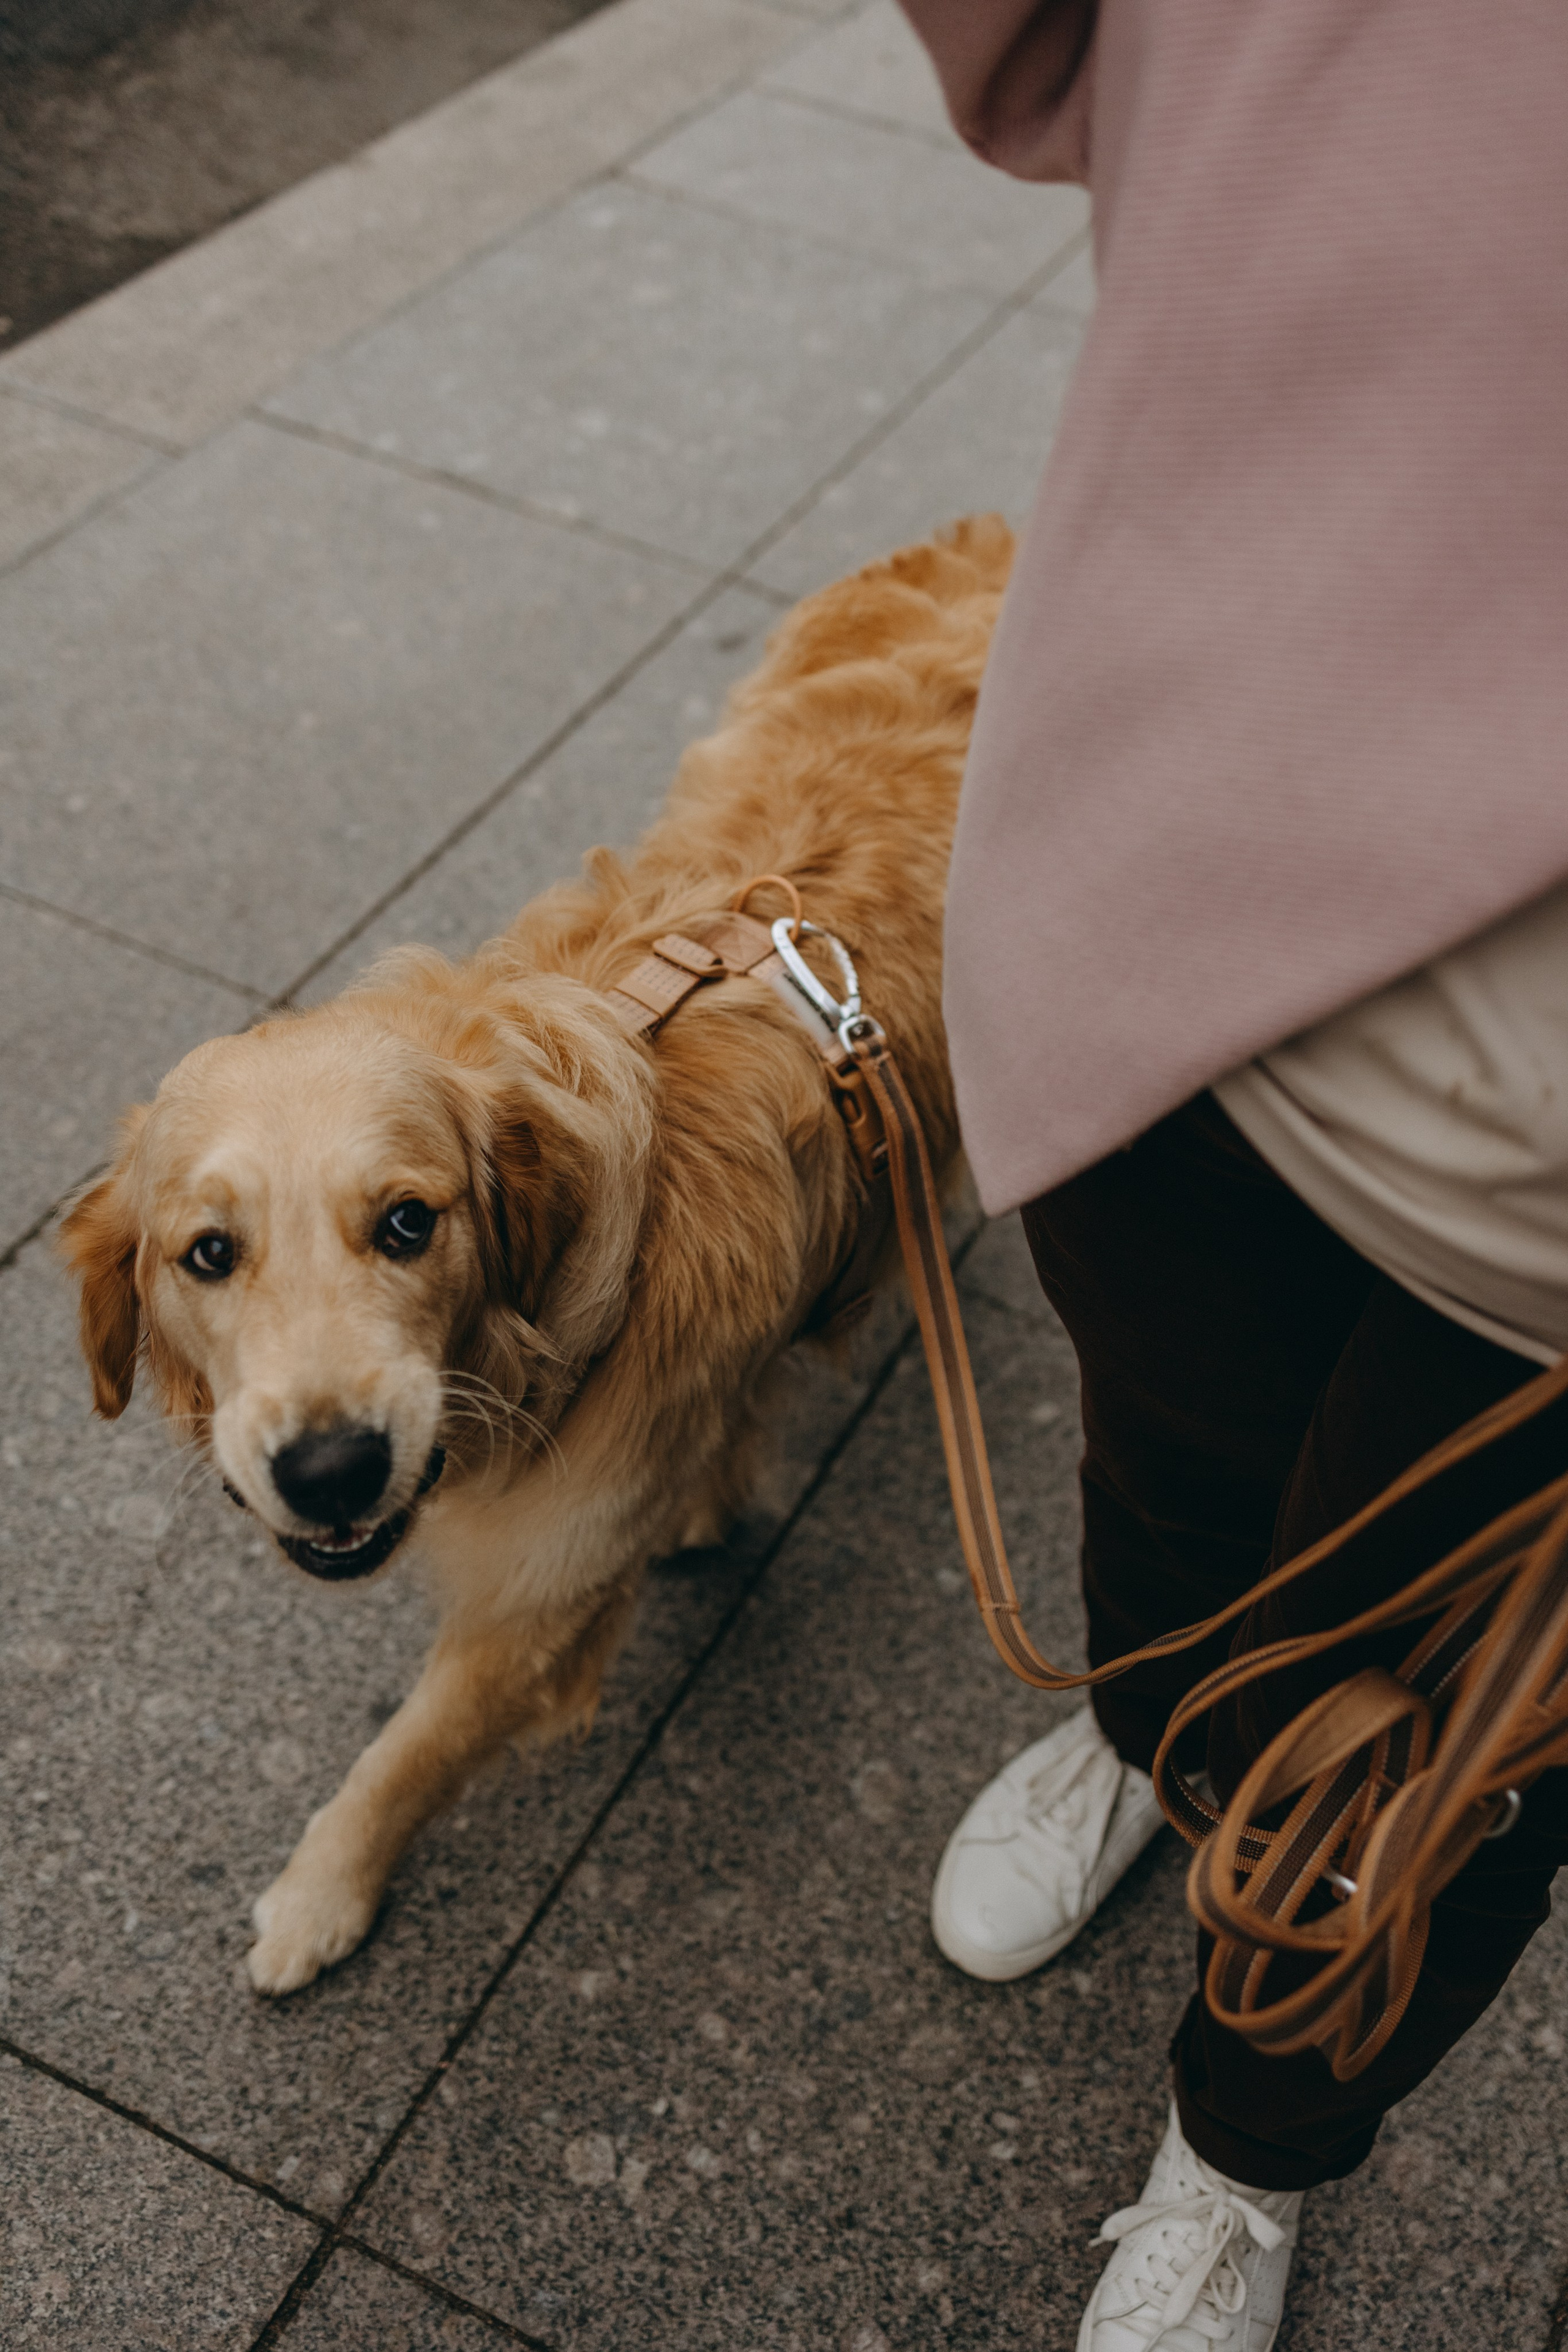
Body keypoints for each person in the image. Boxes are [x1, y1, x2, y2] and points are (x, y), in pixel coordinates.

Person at [894, 4, 1568, 2345]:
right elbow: (1043, 54)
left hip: (1551, 1234)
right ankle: (1138, 1733)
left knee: (1424, 1789)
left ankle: (1240, 2154)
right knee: (1169, 1498)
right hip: (1162, 946)